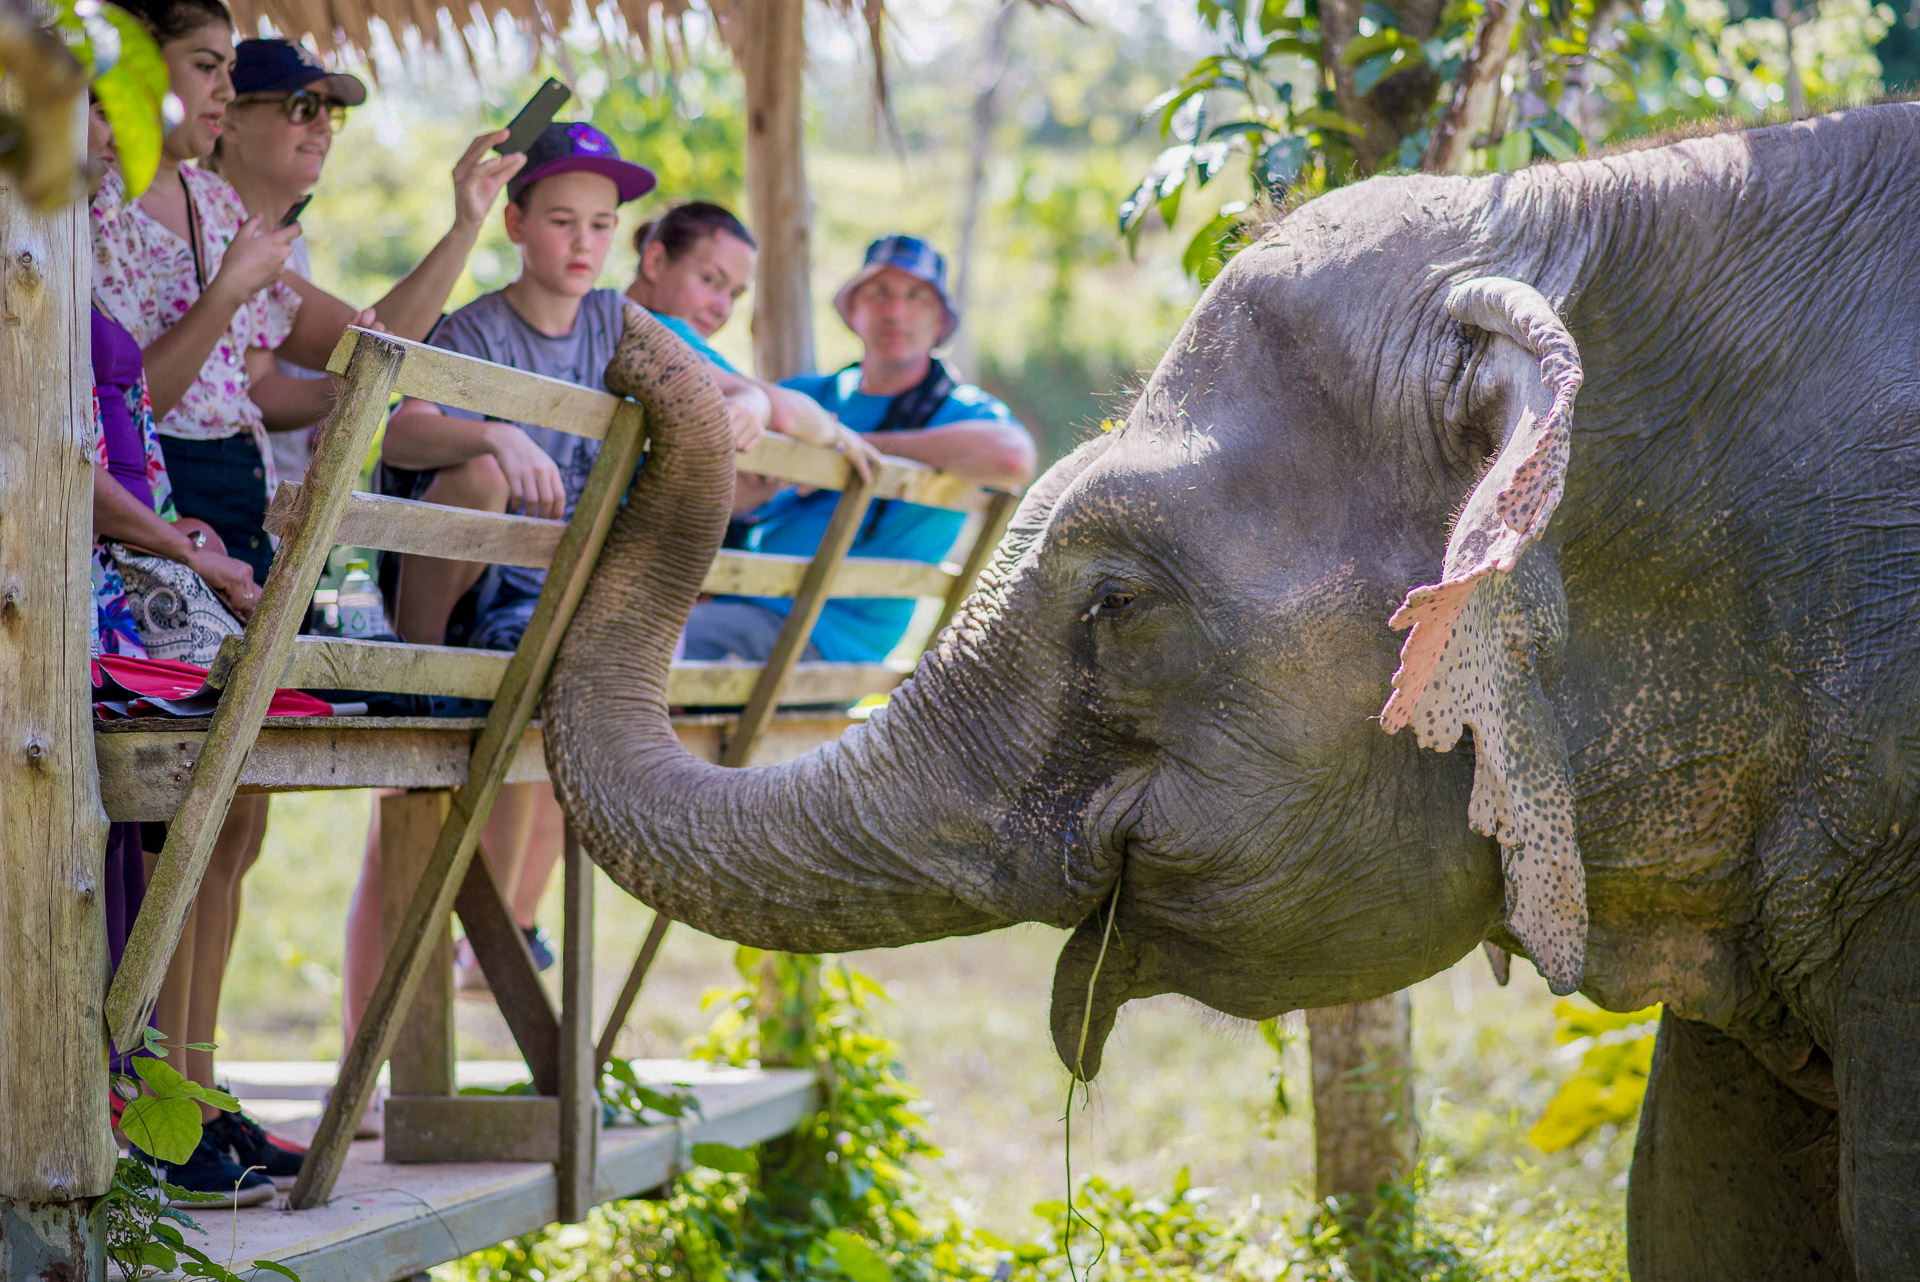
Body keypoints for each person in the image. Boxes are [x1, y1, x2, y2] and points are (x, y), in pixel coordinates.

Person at [339, 124, 770, 1048]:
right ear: (516, 222)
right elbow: (402, 433)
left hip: (544, 611)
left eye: (603, 224)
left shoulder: (616, 322)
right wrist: (492, 433)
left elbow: (724, 391)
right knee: (410, 827)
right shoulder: (476, 326)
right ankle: (417, 674)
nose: (582, 243)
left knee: (513, 782)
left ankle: (493, 953)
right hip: (456, 602)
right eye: (562, 220)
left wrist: (751, 404)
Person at [92, 0, 377, 1200]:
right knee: (185, 812)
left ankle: (199, 1092)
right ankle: (154, 1100)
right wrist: (237, 290)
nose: (224, 90)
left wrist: (466, 221)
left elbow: (369, 346)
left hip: (195, 511)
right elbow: (134, 400)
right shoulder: (86, 214)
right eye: (211, 68)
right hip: (142, 518)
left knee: (237, 813)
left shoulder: (221, 212)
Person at [684, 234, 1037, 664]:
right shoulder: (811, 397)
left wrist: (851, 448)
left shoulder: (958, 410)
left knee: (632, 640)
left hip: (825, 637)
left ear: (940, 321)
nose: (895, 311)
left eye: (917, 297)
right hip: (732, 599)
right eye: (879, 293)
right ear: (853, 310)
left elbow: (1014, 458)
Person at [205, 38, 527, 481]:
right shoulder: (213, 228)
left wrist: (466, 224)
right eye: (302, 106)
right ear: (230, 116)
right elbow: (372, 347)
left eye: (330, 111)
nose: (323, 126)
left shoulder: (286, 239)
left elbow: (374, 344)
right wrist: (465, 226)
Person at [624, 201, 876, 500]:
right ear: (655, 261)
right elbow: (786, 414)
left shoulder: (612, 319)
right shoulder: (658, 330)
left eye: (734, 294)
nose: (722, 308)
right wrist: (837, 435)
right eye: (709, 280)